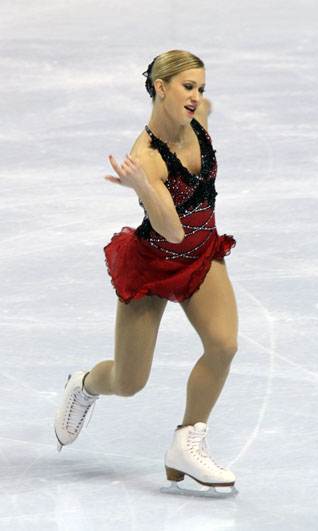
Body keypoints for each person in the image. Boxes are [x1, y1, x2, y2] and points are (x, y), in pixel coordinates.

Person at [55, 50, 238, 496]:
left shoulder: (201, 118)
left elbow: (194, 205)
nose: (196, 97)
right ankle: (84, 385)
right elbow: (171, 231)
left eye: (201, 88)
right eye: (187, 87)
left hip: (200, 255)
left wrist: (145, 186)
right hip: (156, 263)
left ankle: (186, 442)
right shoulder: (147, 157)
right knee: (129, 381)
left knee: (223, 345)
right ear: (160, 86)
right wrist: (141, 185)